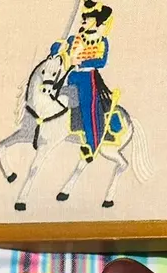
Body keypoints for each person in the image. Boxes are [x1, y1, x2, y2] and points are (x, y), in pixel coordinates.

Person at [50, 2, 119, 161]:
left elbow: (101, 61)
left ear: (95, 21)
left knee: (88, 107)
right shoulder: (73, 39)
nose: (83, 21)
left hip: (88, 78)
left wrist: (81, 63)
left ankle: (91, 145)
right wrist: (57, 46)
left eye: (87, 19)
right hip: (71, 76)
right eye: (83, 19)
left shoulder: (101, 40)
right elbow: (56, 50)